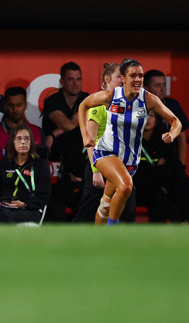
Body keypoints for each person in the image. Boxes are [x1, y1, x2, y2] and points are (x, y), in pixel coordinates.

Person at [78, 58, 182, 225]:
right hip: (106, 152)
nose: (138, 79)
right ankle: (113, 229)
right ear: (123, 78)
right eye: (133, 75)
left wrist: (172, 133)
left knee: (105, 204)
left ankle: (98, 237)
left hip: (130, 160)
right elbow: (83, 105)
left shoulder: (148, 99)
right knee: (126, 186)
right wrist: (85, 135)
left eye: (140, 75)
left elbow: (176, 122)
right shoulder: (110, 96)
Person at [72, 63, 136, 223]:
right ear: (107, 79)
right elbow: (90, 141)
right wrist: (96, 171)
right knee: (87, 213)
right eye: (119, 78)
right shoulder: (97, 103)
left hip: (121, 165)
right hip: (100, 165)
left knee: (127, 211)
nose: (123, 81)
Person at [42, 62, 90, 220]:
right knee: (57, 204)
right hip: (56, 160)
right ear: (62, 81)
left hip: (80, 160)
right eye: (70, 79)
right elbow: (69, 125)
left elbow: (77, 127)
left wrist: (55, 133)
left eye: (78, 79)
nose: (75, 83)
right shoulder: (52, 100)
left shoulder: (87, 98)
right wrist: (76, 122)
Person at [0, 125, 51, 224]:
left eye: (26, 139)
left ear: (31, 142)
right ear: (13, 142)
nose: (23, 142)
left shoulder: (41, 165)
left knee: (4, 215)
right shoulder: (3, 164)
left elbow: (44, 196)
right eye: (19, 138)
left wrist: (25, 204)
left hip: (29, 209)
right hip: (5, 206)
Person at [134, 110, 189, 223]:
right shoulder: (131, 139)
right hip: (137, 187)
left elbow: (171, 167)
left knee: (182, 180)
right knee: (154, 193)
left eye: (152, 115)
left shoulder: (164, 137)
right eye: (143, 115)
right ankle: (180, 223)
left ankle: (185, 220)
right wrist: (156, 167)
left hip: (159, 183)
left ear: (157, 120)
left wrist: (152, 170)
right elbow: (136, 173)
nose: (148, 119)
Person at [143, 69, 189, 167]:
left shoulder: (172, 105)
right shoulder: (137, 106)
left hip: (168, 160)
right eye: (157, 85)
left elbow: (182, 137)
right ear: (146, 88)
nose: (163, 89)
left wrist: (182, 166)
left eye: (164, 84)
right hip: (143, 160)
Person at [0, 86, 43, 160]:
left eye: (19, 105)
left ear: (25, 105)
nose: (15, 110)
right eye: (11, 105)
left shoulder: (38, 132)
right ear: (5, 106)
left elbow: (43, 164)